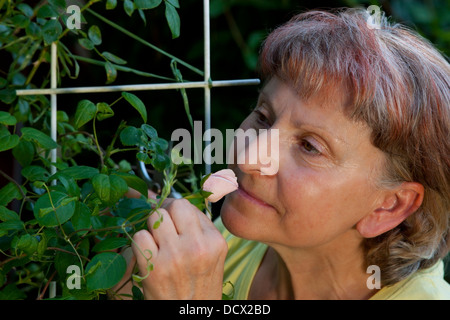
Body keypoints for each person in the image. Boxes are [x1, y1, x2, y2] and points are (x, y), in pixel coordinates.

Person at [115, 7, 450, 300]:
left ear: (390, 205)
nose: (248, 158)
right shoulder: (234, 242)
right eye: (263, 117)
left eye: (309, 146)